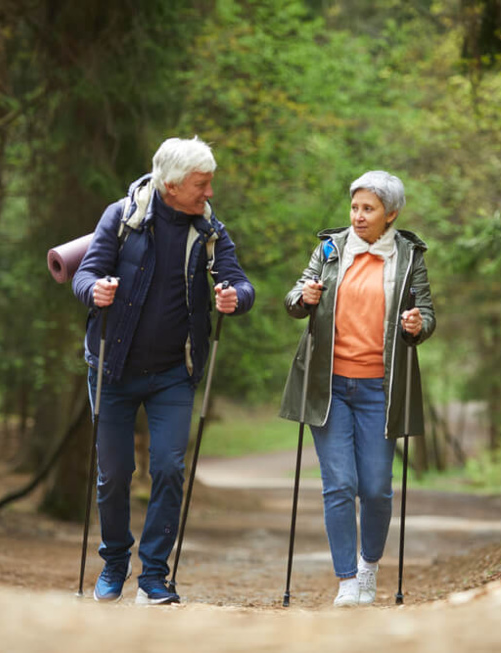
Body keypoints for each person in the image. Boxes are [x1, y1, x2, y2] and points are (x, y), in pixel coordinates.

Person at [73, 137, 255, 605]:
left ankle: (154, 575)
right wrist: (95, 291)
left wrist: (235, 297)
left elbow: (240, 281)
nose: (209, 192)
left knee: (170, 468)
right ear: (171, 186)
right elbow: (84, 274)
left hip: (175, 370)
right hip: (113, 368)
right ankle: (115, 563)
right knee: (114, 473)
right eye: (201, 184)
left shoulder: (210, 230)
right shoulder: (122, 217)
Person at [279, 170, 435, 607]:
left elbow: (426, 315)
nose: (359, 216)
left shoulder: (408, 256)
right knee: (339, 484)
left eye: (369, 209)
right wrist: (304, 297)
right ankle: (347, 579)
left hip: (379, 390)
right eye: (355, 208)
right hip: (328, 387)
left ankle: (369, 566)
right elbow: (294, 300)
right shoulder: (330, 250)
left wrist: (417, 325)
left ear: (391, 215)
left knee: (376, 489)